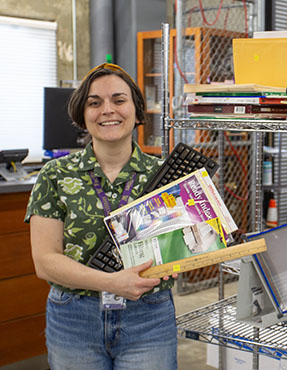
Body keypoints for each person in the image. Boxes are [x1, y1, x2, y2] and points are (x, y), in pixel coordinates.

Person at [25, 63, 178, 370]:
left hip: (148, 315)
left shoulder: (166, 175)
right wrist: (112, 282)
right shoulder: (55, 175)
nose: (108, 110)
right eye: (95, 103)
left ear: (137, 112)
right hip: (74, 319)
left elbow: (184, 245)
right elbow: (45, 262)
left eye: (119, 100)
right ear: (83, 115)